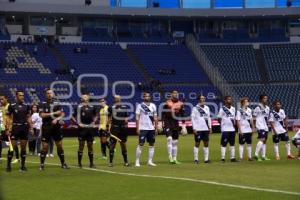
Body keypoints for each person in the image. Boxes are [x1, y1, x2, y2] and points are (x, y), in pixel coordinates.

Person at [39, 89, 69, 170]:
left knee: (59, 145)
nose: (49, 94)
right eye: (48, 93)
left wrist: (57, 119)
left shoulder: (57, 103)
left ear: (53, 94)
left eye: (51, 93)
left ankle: (63, 164)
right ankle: (42, 165)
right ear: (46, 95)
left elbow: (62, 113)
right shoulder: (42, 104)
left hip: (56, 127)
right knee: (45, 147)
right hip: (46, 127)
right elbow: (42, 115)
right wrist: (54, 113)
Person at [6, 90, 32, 172]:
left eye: (23, 95)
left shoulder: (27, 106)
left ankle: (23, 166)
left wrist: (31, 127)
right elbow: (9, 118)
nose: (22, 97)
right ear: (16, 96)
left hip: (24, 128)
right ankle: (8, 165)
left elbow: (28, 117)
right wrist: (8, 128)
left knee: (23, 148)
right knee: (12, 148)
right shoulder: (12, 106)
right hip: (15, 128)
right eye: (20, 95)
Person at [72, 94, 97, 168]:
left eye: (85, 97)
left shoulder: (92, 107)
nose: (84, 98)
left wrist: (94, 122)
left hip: (90, 129)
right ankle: (79, 163)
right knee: (81, 146)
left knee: (90, 146)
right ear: (81, 99)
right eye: (83, 97)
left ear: (88, 98)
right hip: (82, 129)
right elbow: (72, 116)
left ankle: (91, 163)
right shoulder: (78, 107)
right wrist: (78, 123)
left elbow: (96, 115)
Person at [162, 90, 186, 164]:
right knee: (169, 138)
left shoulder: (180, 104)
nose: (175, 94)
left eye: (176, 93)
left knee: (175, 142)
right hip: (168, 122)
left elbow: (182, 115)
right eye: (174, 93)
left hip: (175, 123)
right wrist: (161, 122)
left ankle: (175, 158)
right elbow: (163, 113)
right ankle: (170, 157)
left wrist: (183, 126)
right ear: (171, 94)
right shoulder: (167, 102)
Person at [135, 92, 158, 167]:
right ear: (143, 97)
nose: (147, 97)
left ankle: (150, 161)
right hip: (143, 128)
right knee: (141, 144)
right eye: (145, 96)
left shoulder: (153, 106)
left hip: (151, 128)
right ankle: (137, 161)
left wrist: (156, 128)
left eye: (148, 96)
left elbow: (155, 117)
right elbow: (137, 117)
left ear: (150, 97)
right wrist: (137, 128)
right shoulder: (140, 106)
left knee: (152, 144)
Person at [108, 95, 129, 167]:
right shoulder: (111, 108)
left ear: (120, 99)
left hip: (123, 128)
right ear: (114, 99)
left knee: (123, 144)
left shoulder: (125, 107)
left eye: (118, 98)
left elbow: (126, 117)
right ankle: (110, 162)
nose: (117, 99)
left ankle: (126, 162)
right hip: (114, 128)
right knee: (112, 145)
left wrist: (126, 121)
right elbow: (109, 118)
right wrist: (108, 128)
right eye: (116, 98)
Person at [191, 95, 212, 164]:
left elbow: (208, 118)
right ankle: (196, 159)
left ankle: (206, 159)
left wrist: (210, 127)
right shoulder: (195, 108)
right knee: (197, 143)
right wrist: (194, 128)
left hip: (206, 128)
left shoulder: (207, 108)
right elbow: (193, 119)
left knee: (206, 143)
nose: (203, 99)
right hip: (198, 128)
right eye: (201, 98)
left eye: (203, 98)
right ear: (198, 100)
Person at [218, 96, 237, 163]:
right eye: (228, 99)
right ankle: (223, 158)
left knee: (232, 144)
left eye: (230, 99)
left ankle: (232, 158)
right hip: (225, 129)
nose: (230, 100)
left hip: (232, 129)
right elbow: (219, 118)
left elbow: (234, 118)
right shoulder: (222, 109)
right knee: (224, 144)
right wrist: (223, 124)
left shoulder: (233, 109)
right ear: (225, 100)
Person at [253, 94, 271, 161]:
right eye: (264, 98)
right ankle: (256, 155)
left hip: (265, 126)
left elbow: (266, 117)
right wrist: (254, 127)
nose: (266, 99)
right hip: (260, 125)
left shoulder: (268, 108)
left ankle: (263, 156)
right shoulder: (258, 107)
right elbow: (254, 117)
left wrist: (268, 124)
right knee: (262, 139)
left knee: (265, 141)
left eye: (266, 98)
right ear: (261, 100)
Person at [236, 97, 254, 161]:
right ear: (242, 103)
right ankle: (240, 157)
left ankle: (249, 157)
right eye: (246, 101)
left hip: (248, 129)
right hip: (242, 130)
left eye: (247, 101)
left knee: (249, 144)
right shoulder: (239, 111)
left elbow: (251, 119)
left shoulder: (249, 110)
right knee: (241, 144)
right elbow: (237, 120)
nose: (247, 102)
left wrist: (253, 127)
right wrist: (240, 130)